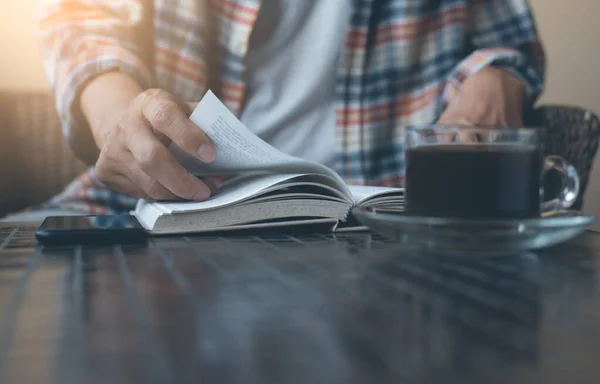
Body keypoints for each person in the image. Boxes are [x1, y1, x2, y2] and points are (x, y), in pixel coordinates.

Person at [4, 0, 545, 221]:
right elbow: (83, 22)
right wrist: (120, 121)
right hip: (154, 208)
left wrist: (498, 78)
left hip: (381, 223)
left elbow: (509, 43)